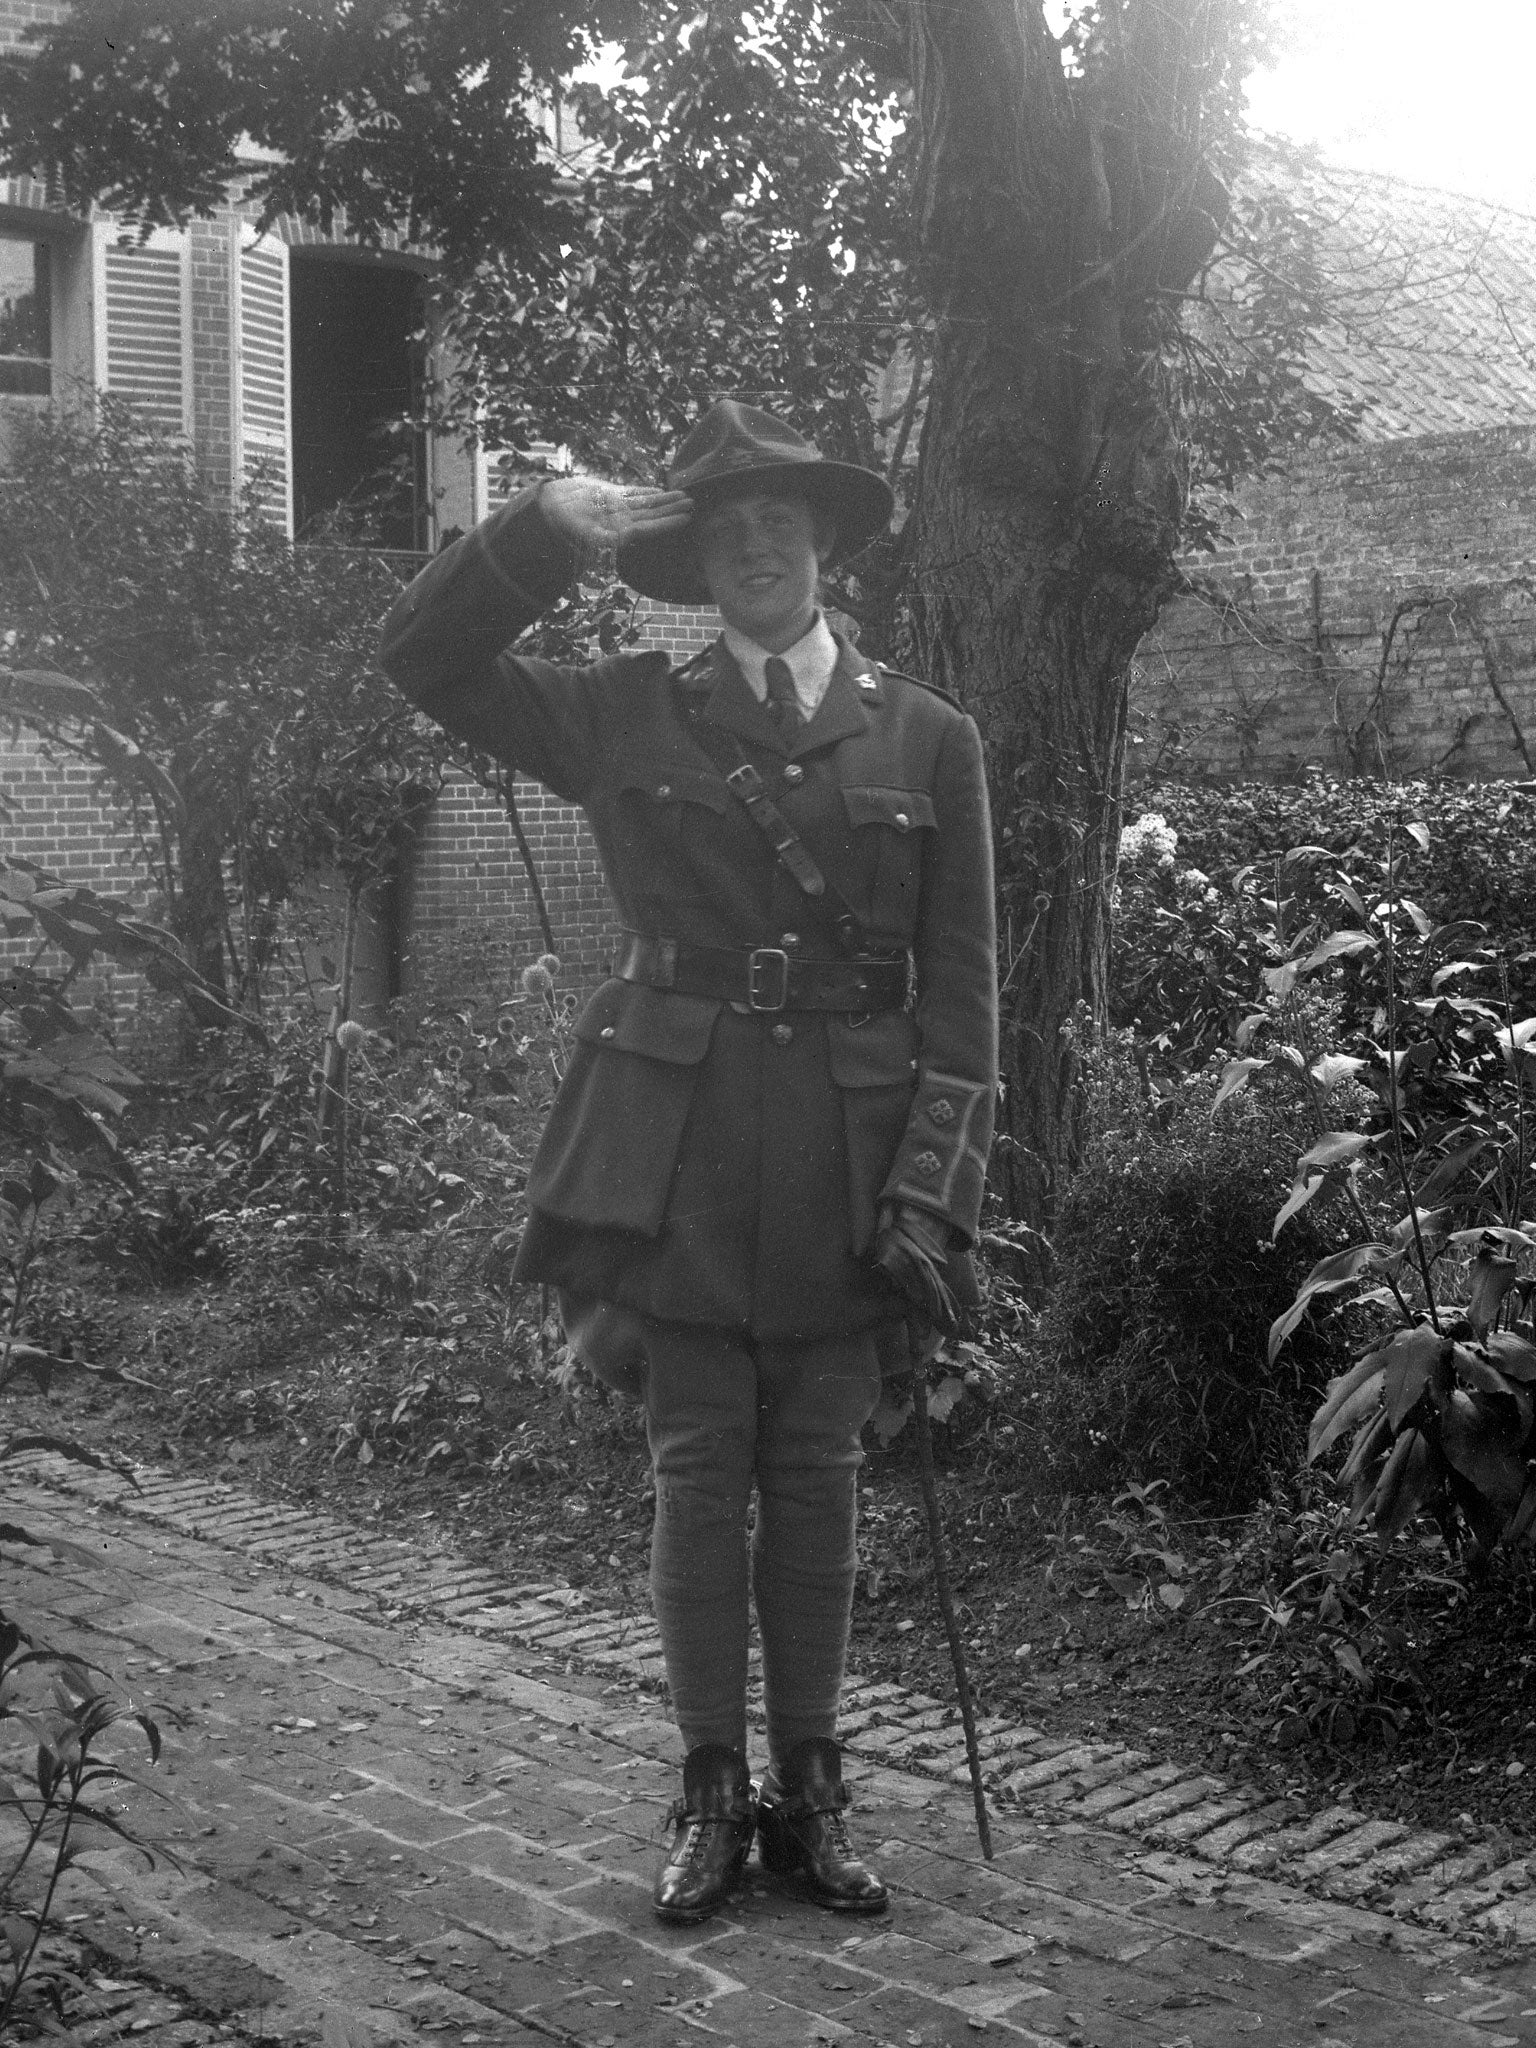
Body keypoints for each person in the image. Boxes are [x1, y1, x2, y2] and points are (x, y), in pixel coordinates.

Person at [379, 400, 997, 1924]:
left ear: (827, 544)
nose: (757, 544)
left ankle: (818, 1788)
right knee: (697, 1464)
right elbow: (422, 659)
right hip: (679, 1152)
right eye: (725, 528)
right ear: (698, 565)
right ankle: (712, 1790)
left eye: (783, 520)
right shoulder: (624, 710)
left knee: (821, 1474)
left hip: (853, 1160)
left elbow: (968, 1004)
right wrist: (537, 529)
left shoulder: (929, 735)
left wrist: (933, 1195)